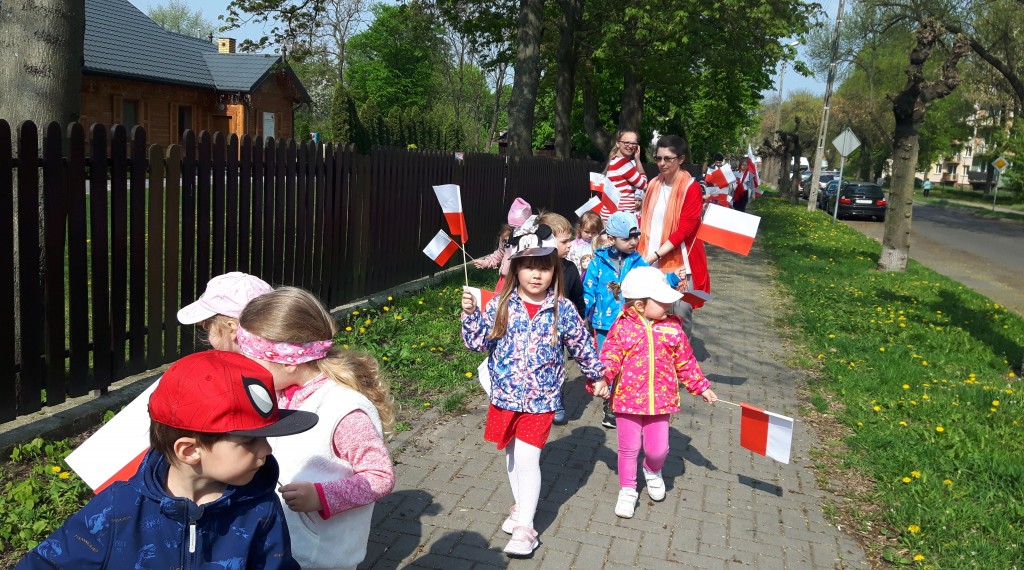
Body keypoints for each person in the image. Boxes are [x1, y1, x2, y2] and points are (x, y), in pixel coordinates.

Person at [16, 350, 318, 569]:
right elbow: (46, 563)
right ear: (189, 451)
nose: (267, 449)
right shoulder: (119, 508)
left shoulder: (260, 507)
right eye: (250, 441)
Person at [461, 234, 603, 557]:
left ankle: (526, 527)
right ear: (516, 268)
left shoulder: (562, 309)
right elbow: (477, 342)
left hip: (542, 400)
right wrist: (470, 315)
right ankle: (521, 506)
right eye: (529, 267)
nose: (537, 275)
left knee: (527, 458)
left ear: (554, 270)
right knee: (512, 456)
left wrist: (596, 376)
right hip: (505, 397)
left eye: (544, 268)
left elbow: (581, 345)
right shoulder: (500, 304)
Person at [237, 287, 396, 570]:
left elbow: (379, 477)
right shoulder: (281, 392)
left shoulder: (343, 409)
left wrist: (321, 496)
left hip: (320, 555)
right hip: (283, 542)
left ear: (287, 362)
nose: (244, 370)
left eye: (251, 361)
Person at [591, 267, 717, 518]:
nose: (669, 305)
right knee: (629, 449)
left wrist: (700, 386)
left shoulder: (673, 328)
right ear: (640, 305)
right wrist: (603, 378)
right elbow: (610, 356)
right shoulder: (623, 327)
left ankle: (652, 469)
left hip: (661, 400)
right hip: (627, 400)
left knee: (658, 450)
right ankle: (628, 488)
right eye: (662, 301)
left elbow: (685, 361)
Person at [584, 212, 682, 429]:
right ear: (611, 239)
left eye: (636, 236)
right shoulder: (597, 262)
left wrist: (674, 278)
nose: (633, 242)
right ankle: (610, 403)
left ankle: (617, 405)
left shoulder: (638, 261)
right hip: (603, 324)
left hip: (630, 323)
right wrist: (584, 313)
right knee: (607, 364)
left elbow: (653, 282)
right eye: (627, 238)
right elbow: (588, 290)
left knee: (626, 365)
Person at [639, 135, 711, 339]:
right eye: (658, 158)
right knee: (651, 312)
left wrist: (656, 254)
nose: (662, 163)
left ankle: (682, 355)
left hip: (681, 262)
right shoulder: (653, 184)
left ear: (681, 159)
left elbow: (685, 229)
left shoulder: (691, 188)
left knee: (680, 313)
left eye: (668, 158)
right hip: (650, 258)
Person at [537, 211, 586, 426]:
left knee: (556, 367)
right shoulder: (533, 268)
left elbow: (578, 298)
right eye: (564, 241)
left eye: (569, 240)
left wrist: (578, 321)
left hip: (560, 331)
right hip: (536, 330)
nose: (569, 245)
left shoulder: (570, 269)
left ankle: (556, 400)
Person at [177, 271, 273, 351]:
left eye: (207, 324)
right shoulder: (276, 362)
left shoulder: (219, 367)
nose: (200, 324)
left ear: (232, 330)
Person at [475, 197, 533, 292]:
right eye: (513, 227)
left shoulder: (532, 239)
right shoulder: (506, 236)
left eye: (519, 228)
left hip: (522, 281)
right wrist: (486, 262)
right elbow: (499, 254)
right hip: (505, 279)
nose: (516, 231)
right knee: (500, 300)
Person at [600, 130, 648, 222]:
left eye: (634, 143)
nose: (630, 146)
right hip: (620, 219)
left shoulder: (615, 160)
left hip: (612, 216)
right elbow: (644, 185)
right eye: (626, 142)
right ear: (618, 143)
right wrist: (637, 160)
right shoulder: (623, 163)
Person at [567, 210, 603, 275]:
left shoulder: (600, 246)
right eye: (587, 232)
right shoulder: (573, 245)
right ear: (580, 228)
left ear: (599, 231)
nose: (590, 235)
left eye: (593, 232)